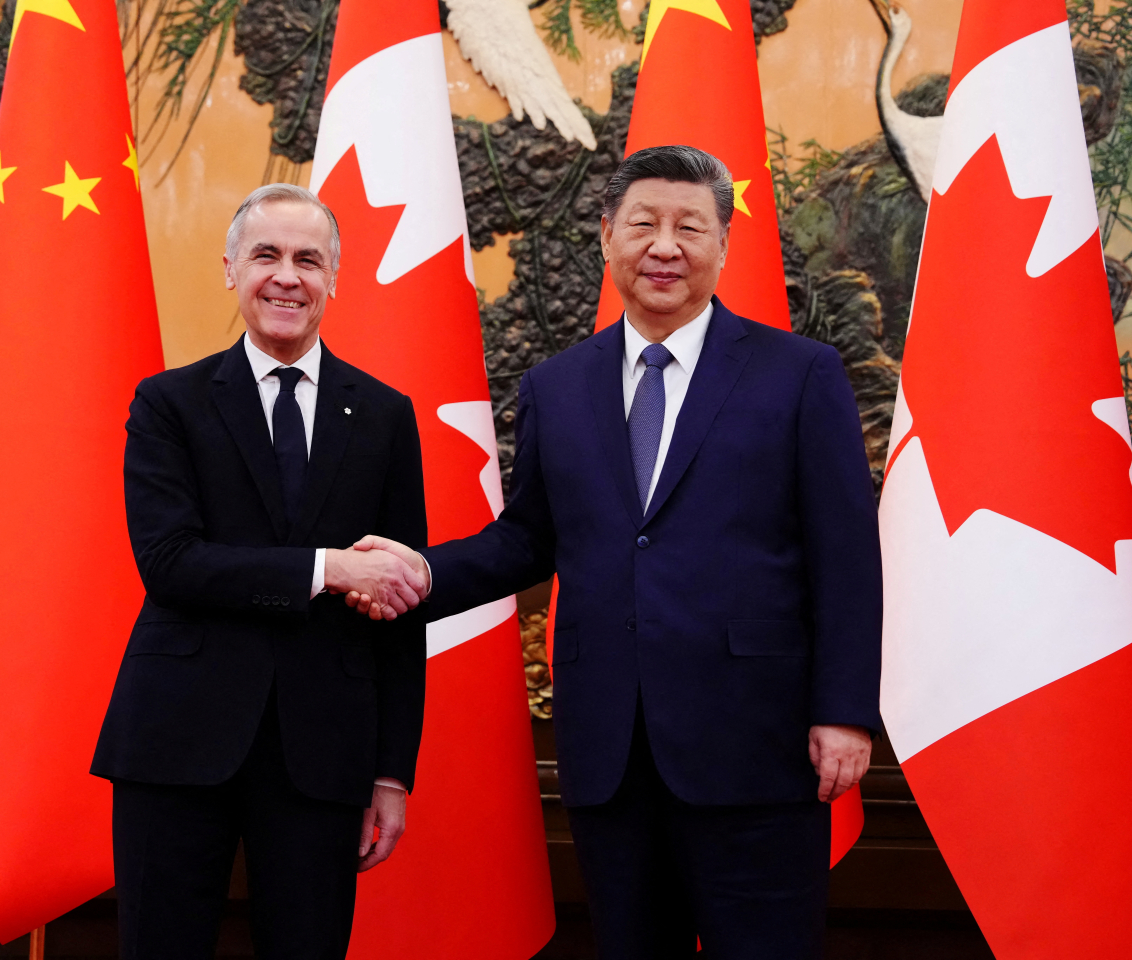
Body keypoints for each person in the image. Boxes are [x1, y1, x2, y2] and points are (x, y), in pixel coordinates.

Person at [350, 146, 883, 959]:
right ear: (607, 237)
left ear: (723, 244)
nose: (664, 246)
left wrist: (843, 711)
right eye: (643, 225)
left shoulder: (799, 374)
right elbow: (529, 538)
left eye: (689, 227)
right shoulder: (557, 386)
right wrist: (420, 571)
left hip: (758, 745)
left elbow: (845, 554)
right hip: (611, 748)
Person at [90, 183, 430, 960]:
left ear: (333, 278)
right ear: (230, 269)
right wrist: (326, 569)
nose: (286, 276)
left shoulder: (385, 415)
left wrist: (391, 772)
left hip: (324, 748)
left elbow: (399, 599)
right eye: (265, 255)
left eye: (308, 260)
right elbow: (170, 563)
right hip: (177, 739)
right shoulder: (169, 403)